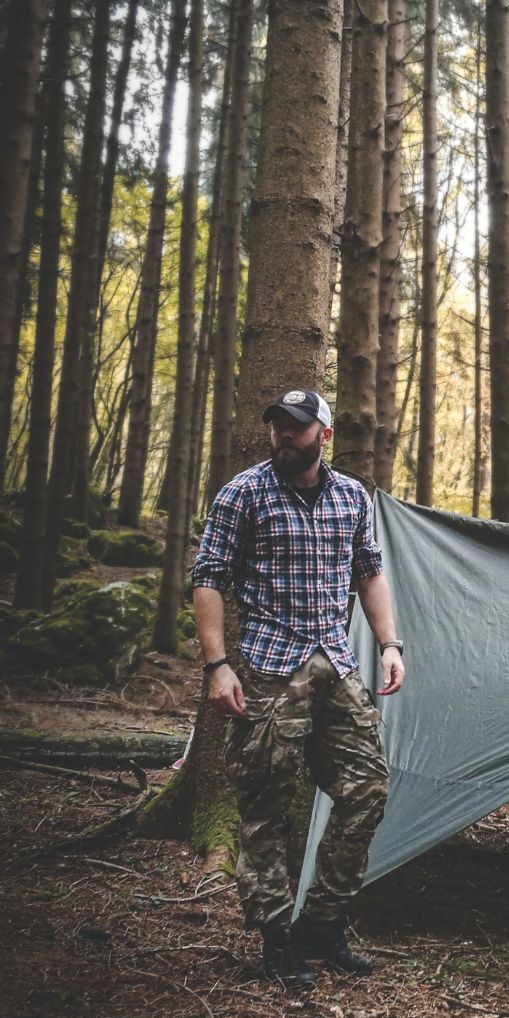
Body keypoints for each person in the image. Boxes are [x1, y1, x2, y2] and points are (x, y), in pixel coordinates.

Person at [192, 388, 404, 986]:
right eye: (277, 425)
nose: (283, 434)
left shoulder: (351, 498)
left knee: (368, 790)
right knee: (266, 809)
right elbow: (207, 579)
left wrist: (390, 645)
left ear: (323, 435)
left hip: (335, 666)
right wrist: (216, 665)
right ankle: (276, 937)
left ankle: (323, 922)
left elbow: (369, 572)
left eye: (297, 426)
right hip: (266, 672)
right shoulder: (244, 493)